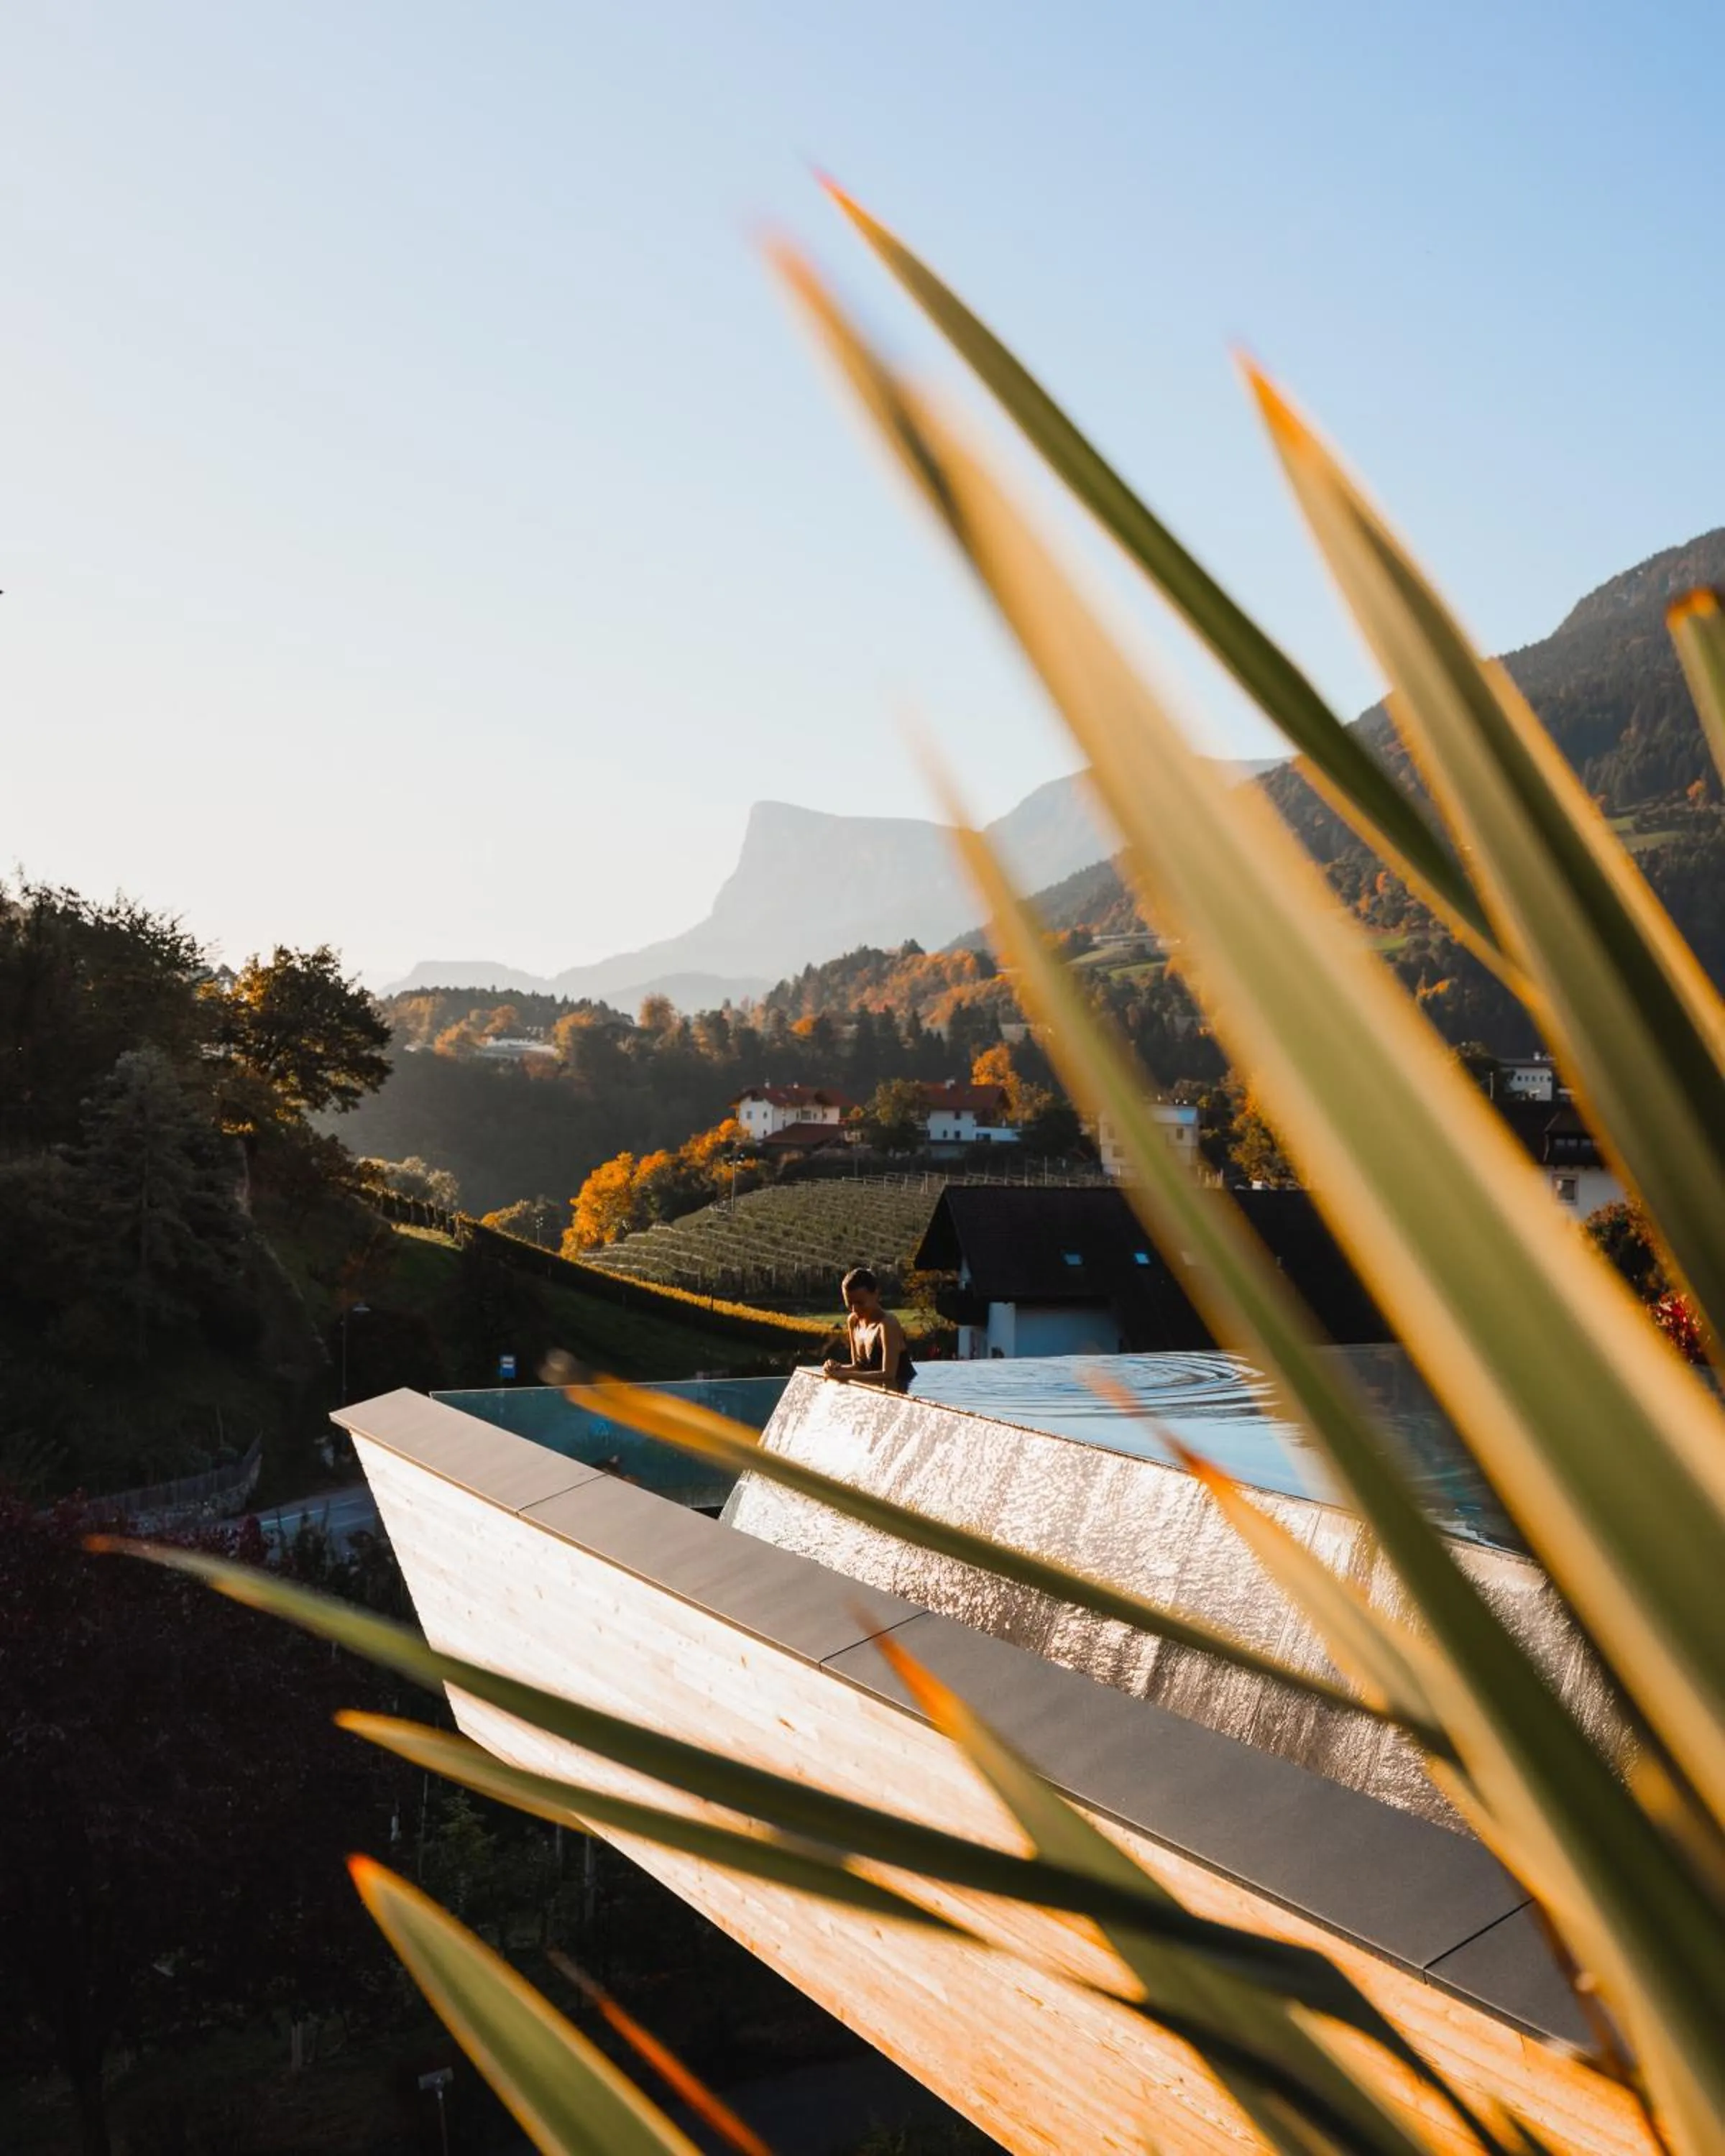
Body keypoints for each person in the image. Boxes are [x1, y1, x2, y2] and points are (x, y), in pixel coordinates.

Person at [822, 1267, 916, 1393]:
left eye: (860, 1303)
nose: (855, 1309)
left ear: (876, 1294)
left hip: (902, 1389)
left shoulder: (887, 1324)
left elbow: (888, 1374)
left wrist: (845, 1375)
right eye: (850, 1303)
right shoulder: (853, 1321)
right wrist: (836, 1368)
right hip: (876, 1390)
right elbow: (858, 1367)